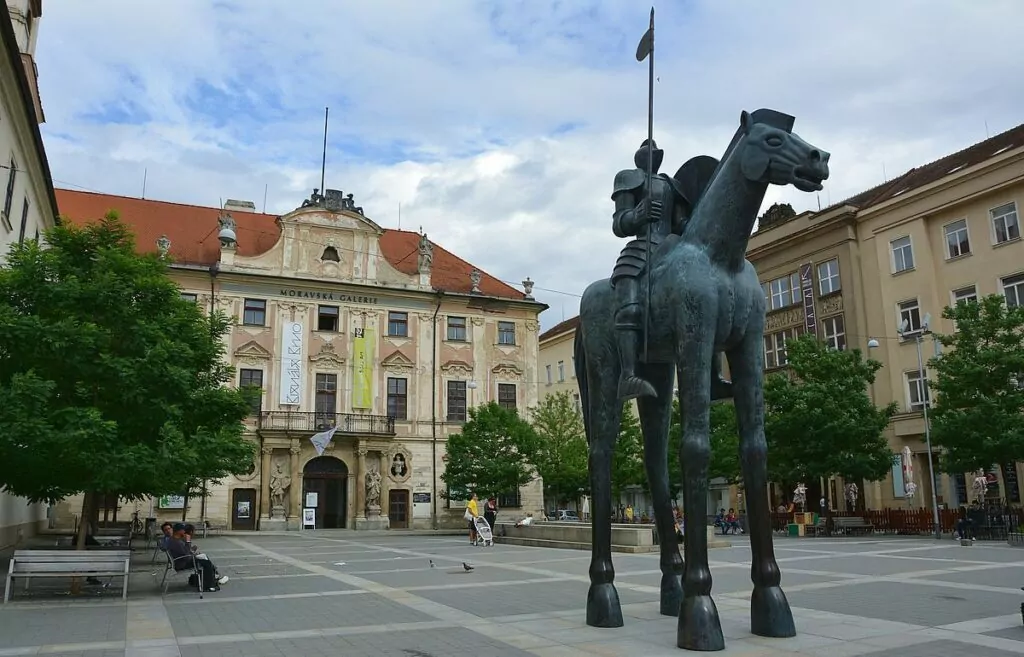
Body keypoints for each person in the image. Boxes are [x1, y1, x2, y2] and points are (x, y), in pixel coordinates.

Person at [608, 140, 727, 400]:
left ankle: (714, 377)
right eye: (646, 151)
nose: (652, 154)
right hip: (643, 245)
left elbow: (681, 222)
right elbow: (619, 224)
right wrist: (638, 215)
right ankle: (627, 374)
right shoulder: (628, 179)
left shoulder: (673, 185)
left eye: (655, 152)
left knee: (704, 297)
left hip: (674, 246)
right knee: (626, 287)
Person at [165, 523, 228, 592]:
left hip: (181, 561)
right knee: (205, 563)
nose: (184, 532)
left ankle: (212, 579)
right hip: (182, 564)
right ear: (178, 531)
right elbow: (186, 555)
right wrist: (188, 542)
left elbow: (185, 552)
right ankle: (209, 585)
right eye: (183, 530)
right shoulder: (176, 542)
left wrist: (192, 552)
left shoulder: (174, 540)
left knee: (203, 558)